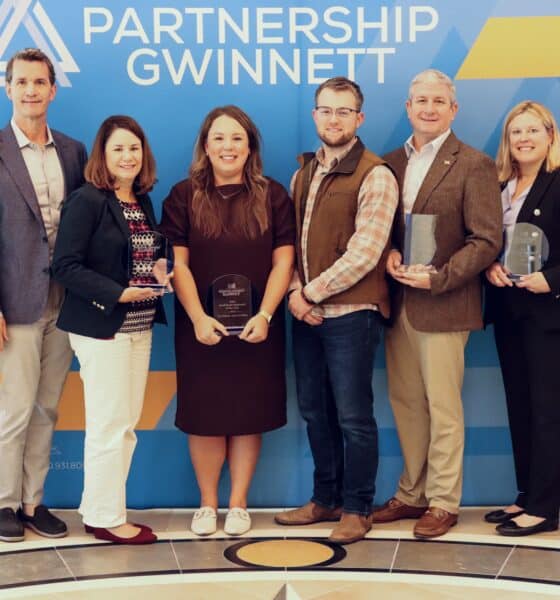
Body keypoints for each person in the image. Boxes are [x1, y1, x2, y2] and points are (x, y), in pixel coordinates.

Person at [371, 69, 502, 538]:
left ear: (454, 109)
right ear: (407, 107)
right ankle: (411, 493)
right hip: (398, 302)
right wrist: (387, 254)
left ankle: (444, 501)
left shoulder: (474, 163)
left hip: (445, 303)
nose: (428, 108)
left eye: (438, 101)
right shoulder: (387, 163)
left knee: (444, 406)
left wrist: (441, 278)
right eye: (420, 100)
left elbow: (486, 239)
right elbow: (384, 229)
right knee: (406, 402)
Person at [274, 76, 399, 544]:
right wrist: (293, 292)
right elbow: (290, 244)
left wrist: (311, 293)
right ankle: (323, 498)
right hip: (306, 312)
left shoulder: (376, 173)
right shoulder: (303, 172)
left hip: (352, 314)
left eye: (344, 111)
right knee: (314, 411)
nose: (334, 119)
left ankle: (357, 507)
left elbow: (366, 251)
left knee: (352, 415)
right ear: (315, 116)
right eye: (326, 110)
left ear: (359, 118)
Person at [159, 105, 294, 537]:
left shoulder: (273, 195)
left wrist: (266, 314)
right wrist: (197, 317)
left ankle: (237, 504)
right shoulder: (182, 196)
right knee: (205, 413)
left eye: (236, 137)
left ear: (250, 145)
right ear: (205, 145)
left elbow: (284, 261)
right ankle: (207, 504)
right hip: (200, 328)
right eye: (218, 138)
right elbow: (177, 264)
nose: (228, 146)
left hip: (259, 326)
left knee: (247, 412)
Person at [51, 115, 166, 544]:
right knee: (108, 423)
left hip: (139, 326)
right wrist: (117, 293)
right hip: (102, 327)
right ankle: (106, 518)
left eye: (134, 148)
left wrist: (158, 275)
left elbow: (140, 258)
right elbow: (65, 266)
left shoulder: (141, 201)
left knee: (125, 423)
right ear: (103, 154)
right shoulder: (87, 200)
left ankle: (102, 508)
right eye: (118, 148)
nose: (127, 156)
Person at [0, 48, 87, 542]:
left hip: (66, 301)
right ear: (8, 88)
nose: (31, 90)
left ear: (54, 90)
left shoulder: (73, 152)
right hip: (16, 302)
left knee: (47, 406)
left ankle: (33, 502)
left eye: (40, 82)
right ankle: (4, 503)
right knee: (14, 407)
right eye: (22, 82)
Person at [484, 101, 560, 536]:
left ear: (549, 134)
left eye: (533, 130)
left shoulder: (558, 182)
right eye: (516, 132)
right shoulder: (501, 186)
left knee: (549, 410)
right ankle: (527, 495)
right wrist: (491, 266)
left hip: (549, 313)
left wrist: (549, 280)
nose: (524, 139)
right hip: (510, 310)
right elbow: (493, 243)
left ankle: (547, 507)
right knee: (520, 406)